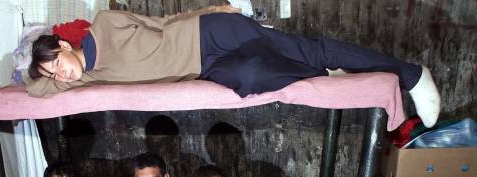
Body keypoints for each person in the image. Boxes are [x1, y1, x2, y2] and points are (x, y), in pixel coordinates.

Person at [26, 5, 440, 127]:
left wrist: (215, 10)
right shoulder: (88, 80)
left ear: (66, 45)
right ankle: (323, 72)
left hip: (208, 33)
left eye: (56, 62)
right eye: (52, 72)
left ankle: (411, 73)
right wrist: (30, 67)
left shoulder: (105, 22)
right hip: (206, 68)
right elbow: (36, 90)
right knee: (251, 80)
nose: (59, 74)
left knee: (307, 51)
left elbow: (165, 24)